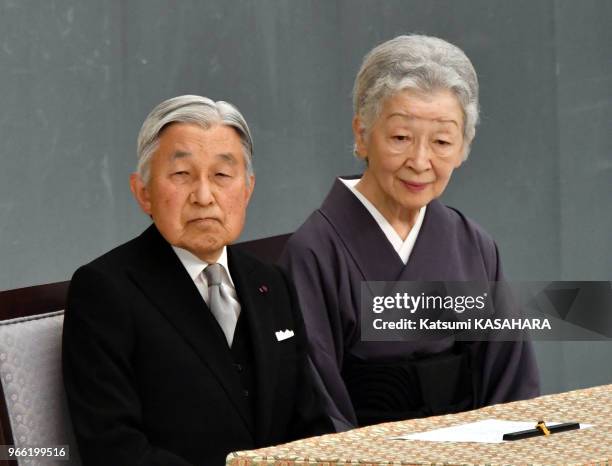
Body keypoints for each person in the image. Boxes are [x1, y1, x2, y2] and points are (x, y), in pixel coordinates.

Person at [279, 35, 540, 430]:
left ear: (463, 147)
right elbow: (320, 408)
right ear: (362, 133)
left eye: (441, 141)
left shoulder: (473, 246)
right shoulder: (315, 253)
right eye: (400, 138)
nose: (420, 162)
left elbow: (512, 386)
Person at [62, 95, 332, 466]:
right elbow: (113, 448)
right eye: (181, 175)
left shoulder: (270, 282)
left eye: (222, 175)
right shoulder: (104, 290)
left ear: (248, 188)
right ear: (143, 193)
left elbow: (310, 425)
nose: (204, 197)